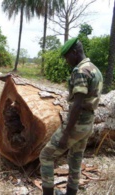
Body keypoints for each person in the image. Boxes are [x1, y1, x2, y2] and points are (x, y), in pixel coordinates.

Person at [39, 38, 103, 195]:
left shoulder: (80, 71)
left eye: (67, 57)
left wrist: (66, 132)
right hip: (88, 124)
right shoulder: (94, 68)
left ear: (75, 52)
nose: (67, 61)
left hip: (77, 124)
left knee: (46, 156)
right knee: (75, 160)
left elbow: (77, 104)